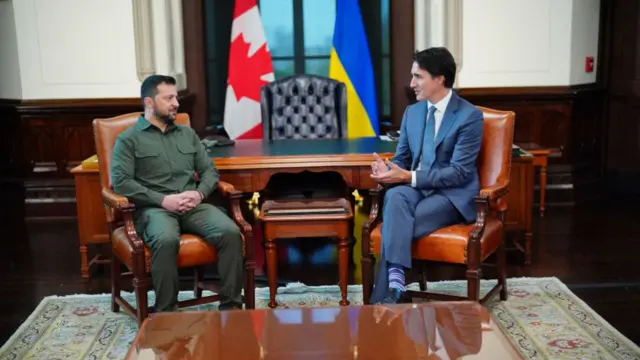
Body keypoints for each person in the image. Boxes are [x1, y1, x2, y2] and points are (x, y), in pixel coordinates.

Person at [111, 75, 244, 312]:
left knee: (230, 232)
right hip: (154, 209)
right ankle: (167, 313)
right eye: (169, 97)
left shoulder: (187, 134)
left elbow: (209, 173)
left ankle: (231, 308)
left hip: (193, 205)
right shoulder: (128, 140)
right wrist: (163, 200)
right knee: (165, 239)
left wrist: (199, 195)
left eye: (176, 97)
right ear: (149, 102)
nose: (176, 103)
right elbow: (121, 183)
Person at [368, 47, 484, 304]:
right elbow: (403, 159)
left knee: (395, 223)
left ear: (440, 78)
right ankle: (397, 279)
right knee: (396, 197)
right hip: (416, 187)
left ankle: (384, 299)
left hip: (451, 194)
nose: (411, 84)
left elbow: (458, 172)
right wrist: (387, 170)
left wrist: (408, 176)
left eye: (418, 76)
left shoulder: (469, 116)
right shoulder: (414, 112)